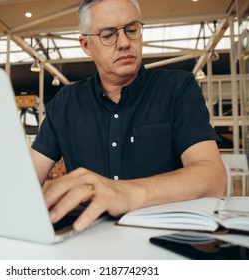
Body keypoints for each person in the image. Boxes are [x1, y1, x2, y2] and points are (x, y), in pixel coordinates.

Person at [30, 0, 227, 232]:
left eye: (132, 30)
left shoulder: (177, 88)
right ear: (86, 44)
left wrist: (127, 193)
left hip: (165, 236)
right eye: (108, 35)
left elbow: (212, 177)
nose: (124, 43)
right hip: (88, 240)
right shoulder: (66, 102)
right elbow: (25, 182)